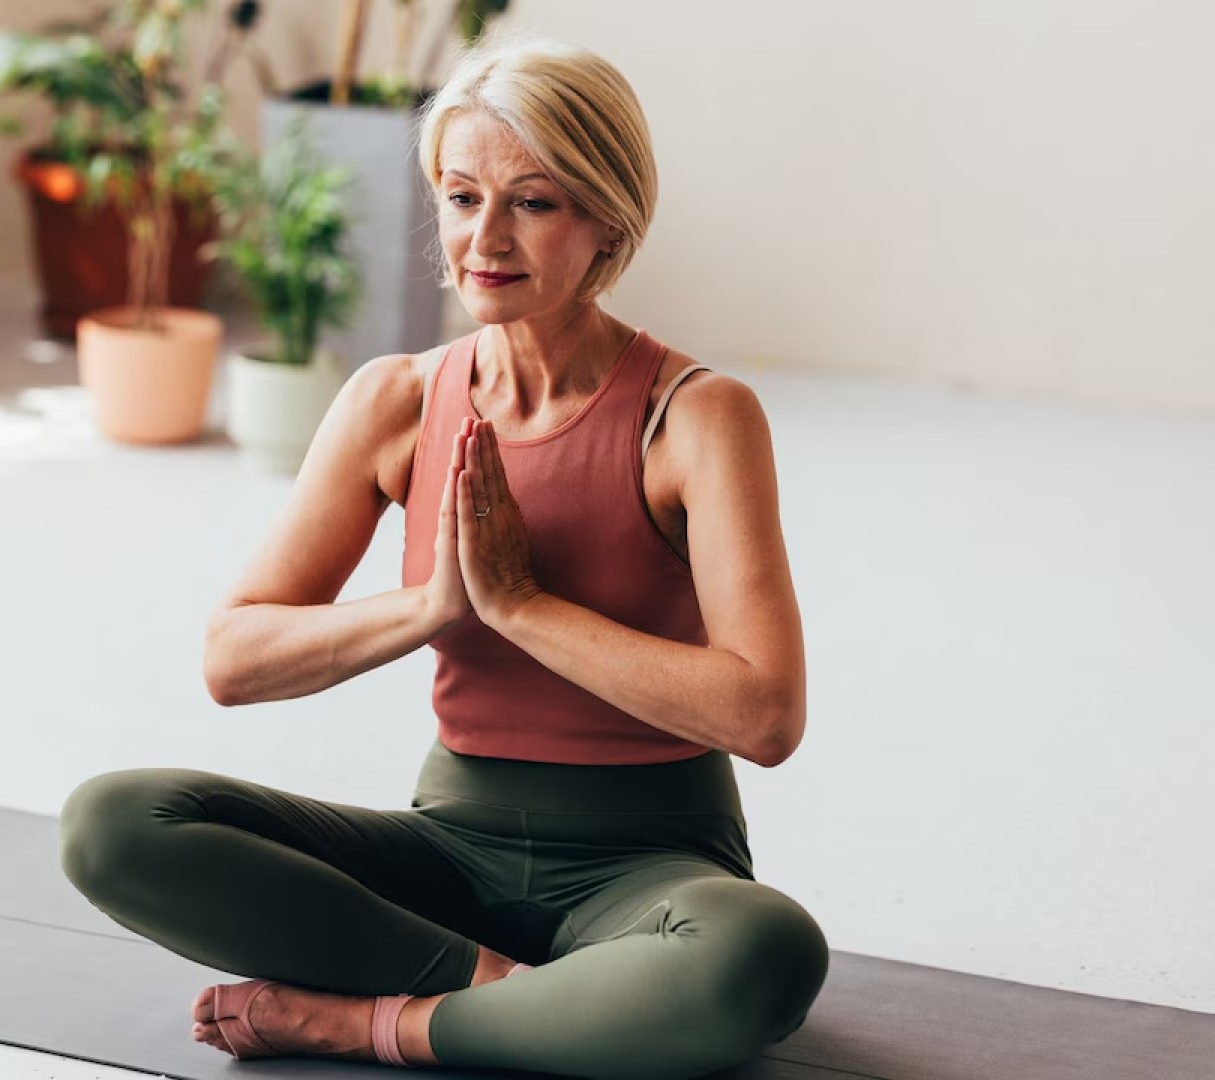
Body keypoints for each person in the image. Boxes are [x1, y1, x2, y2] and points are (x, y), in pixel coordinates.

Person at [58, 34, 829, 1080]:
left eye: (535, 201)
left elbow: (765, 716)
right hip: (447, 852)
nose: (486, 238)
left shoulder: (694, 419)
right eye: (463, 198)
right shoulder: (398, 399)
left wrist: (519, 607)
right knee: (115, 823)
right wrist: (430, 607)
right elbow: (234, 657)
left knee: (764, 955)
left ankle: (370, 1022)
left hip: (650, 873)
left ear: (608, 218)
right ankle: (509, 997)